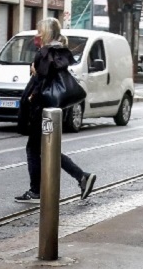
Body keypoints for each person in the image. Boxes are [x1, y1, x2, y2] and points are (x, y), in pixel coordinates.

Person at [14, 17, 96, 203]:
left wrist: (34, 75)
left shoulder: (45, 53)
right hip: (54, 108)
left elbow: (42, 78)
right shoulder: (60, 50)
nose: (37, 34)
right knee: (48, 149)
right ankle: (82, 176)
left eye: (40, 30)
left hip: (42, 108)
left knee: (33, 149)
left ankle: (36, 191)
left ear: (48, 33)